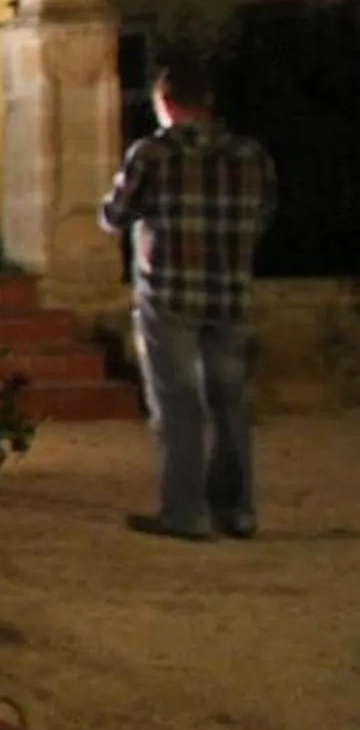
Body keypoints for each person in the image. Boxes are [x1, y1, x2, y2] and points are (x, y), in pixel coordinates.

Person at [98, 53, 278, 541]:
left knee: (177, 402)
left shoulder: (152, 154)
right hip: (229, 291)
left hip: (169, 290)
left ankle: (186, 512)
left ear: (165, 101)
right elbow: (264, 214)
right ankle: (238, 511)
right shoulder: (250, 155)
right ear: (209, 102)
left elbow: (114, 214)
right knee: (229, 401)